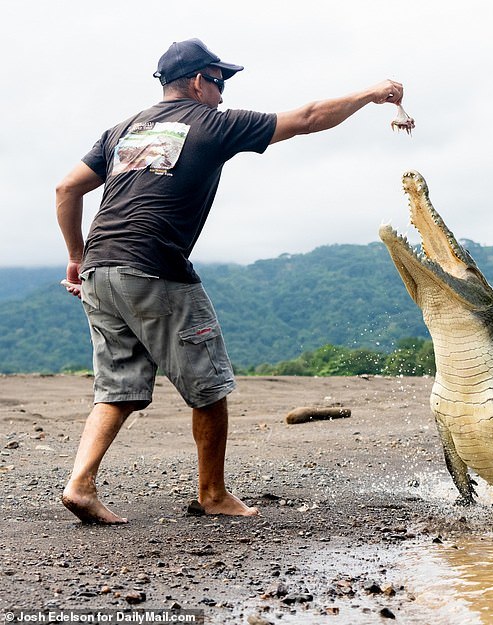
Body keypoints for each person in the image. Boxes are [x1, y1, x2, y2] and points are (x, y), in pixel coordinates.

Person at [55, 38, 405, 524]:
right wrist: (371, 93)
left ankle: (80, 484)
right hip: (156, 269)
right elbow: (306, 119)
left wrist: (77, 256)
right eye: (218, 83)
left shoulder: (121, 131)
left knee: (118, 388)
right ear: (198, 82)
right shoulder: (210, 122)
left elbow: (67, 187)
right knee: (209, 387)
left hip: (100, 268)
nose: (221, 95)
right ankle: (213, 494)